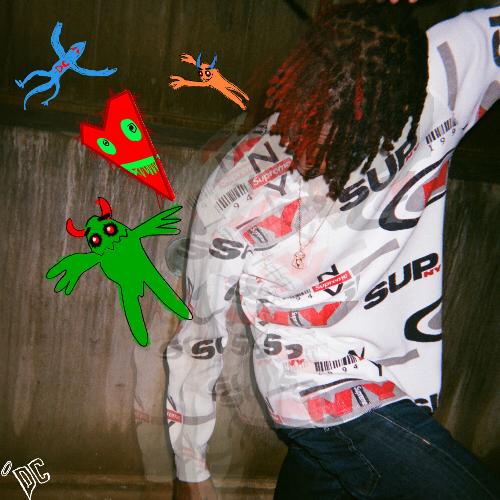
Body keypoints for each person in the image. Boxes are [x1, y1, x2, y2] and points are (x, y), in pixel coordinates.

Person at [166, 1, 500, 498]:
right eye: (319, 111)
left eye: (355, 126)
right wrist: (190, 468)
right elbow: (200, 331)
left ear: (406, 100)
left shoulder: (443, 77)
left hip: (399, 375)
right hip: (314, 394)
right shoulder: (240, 192)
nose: (321, 143)